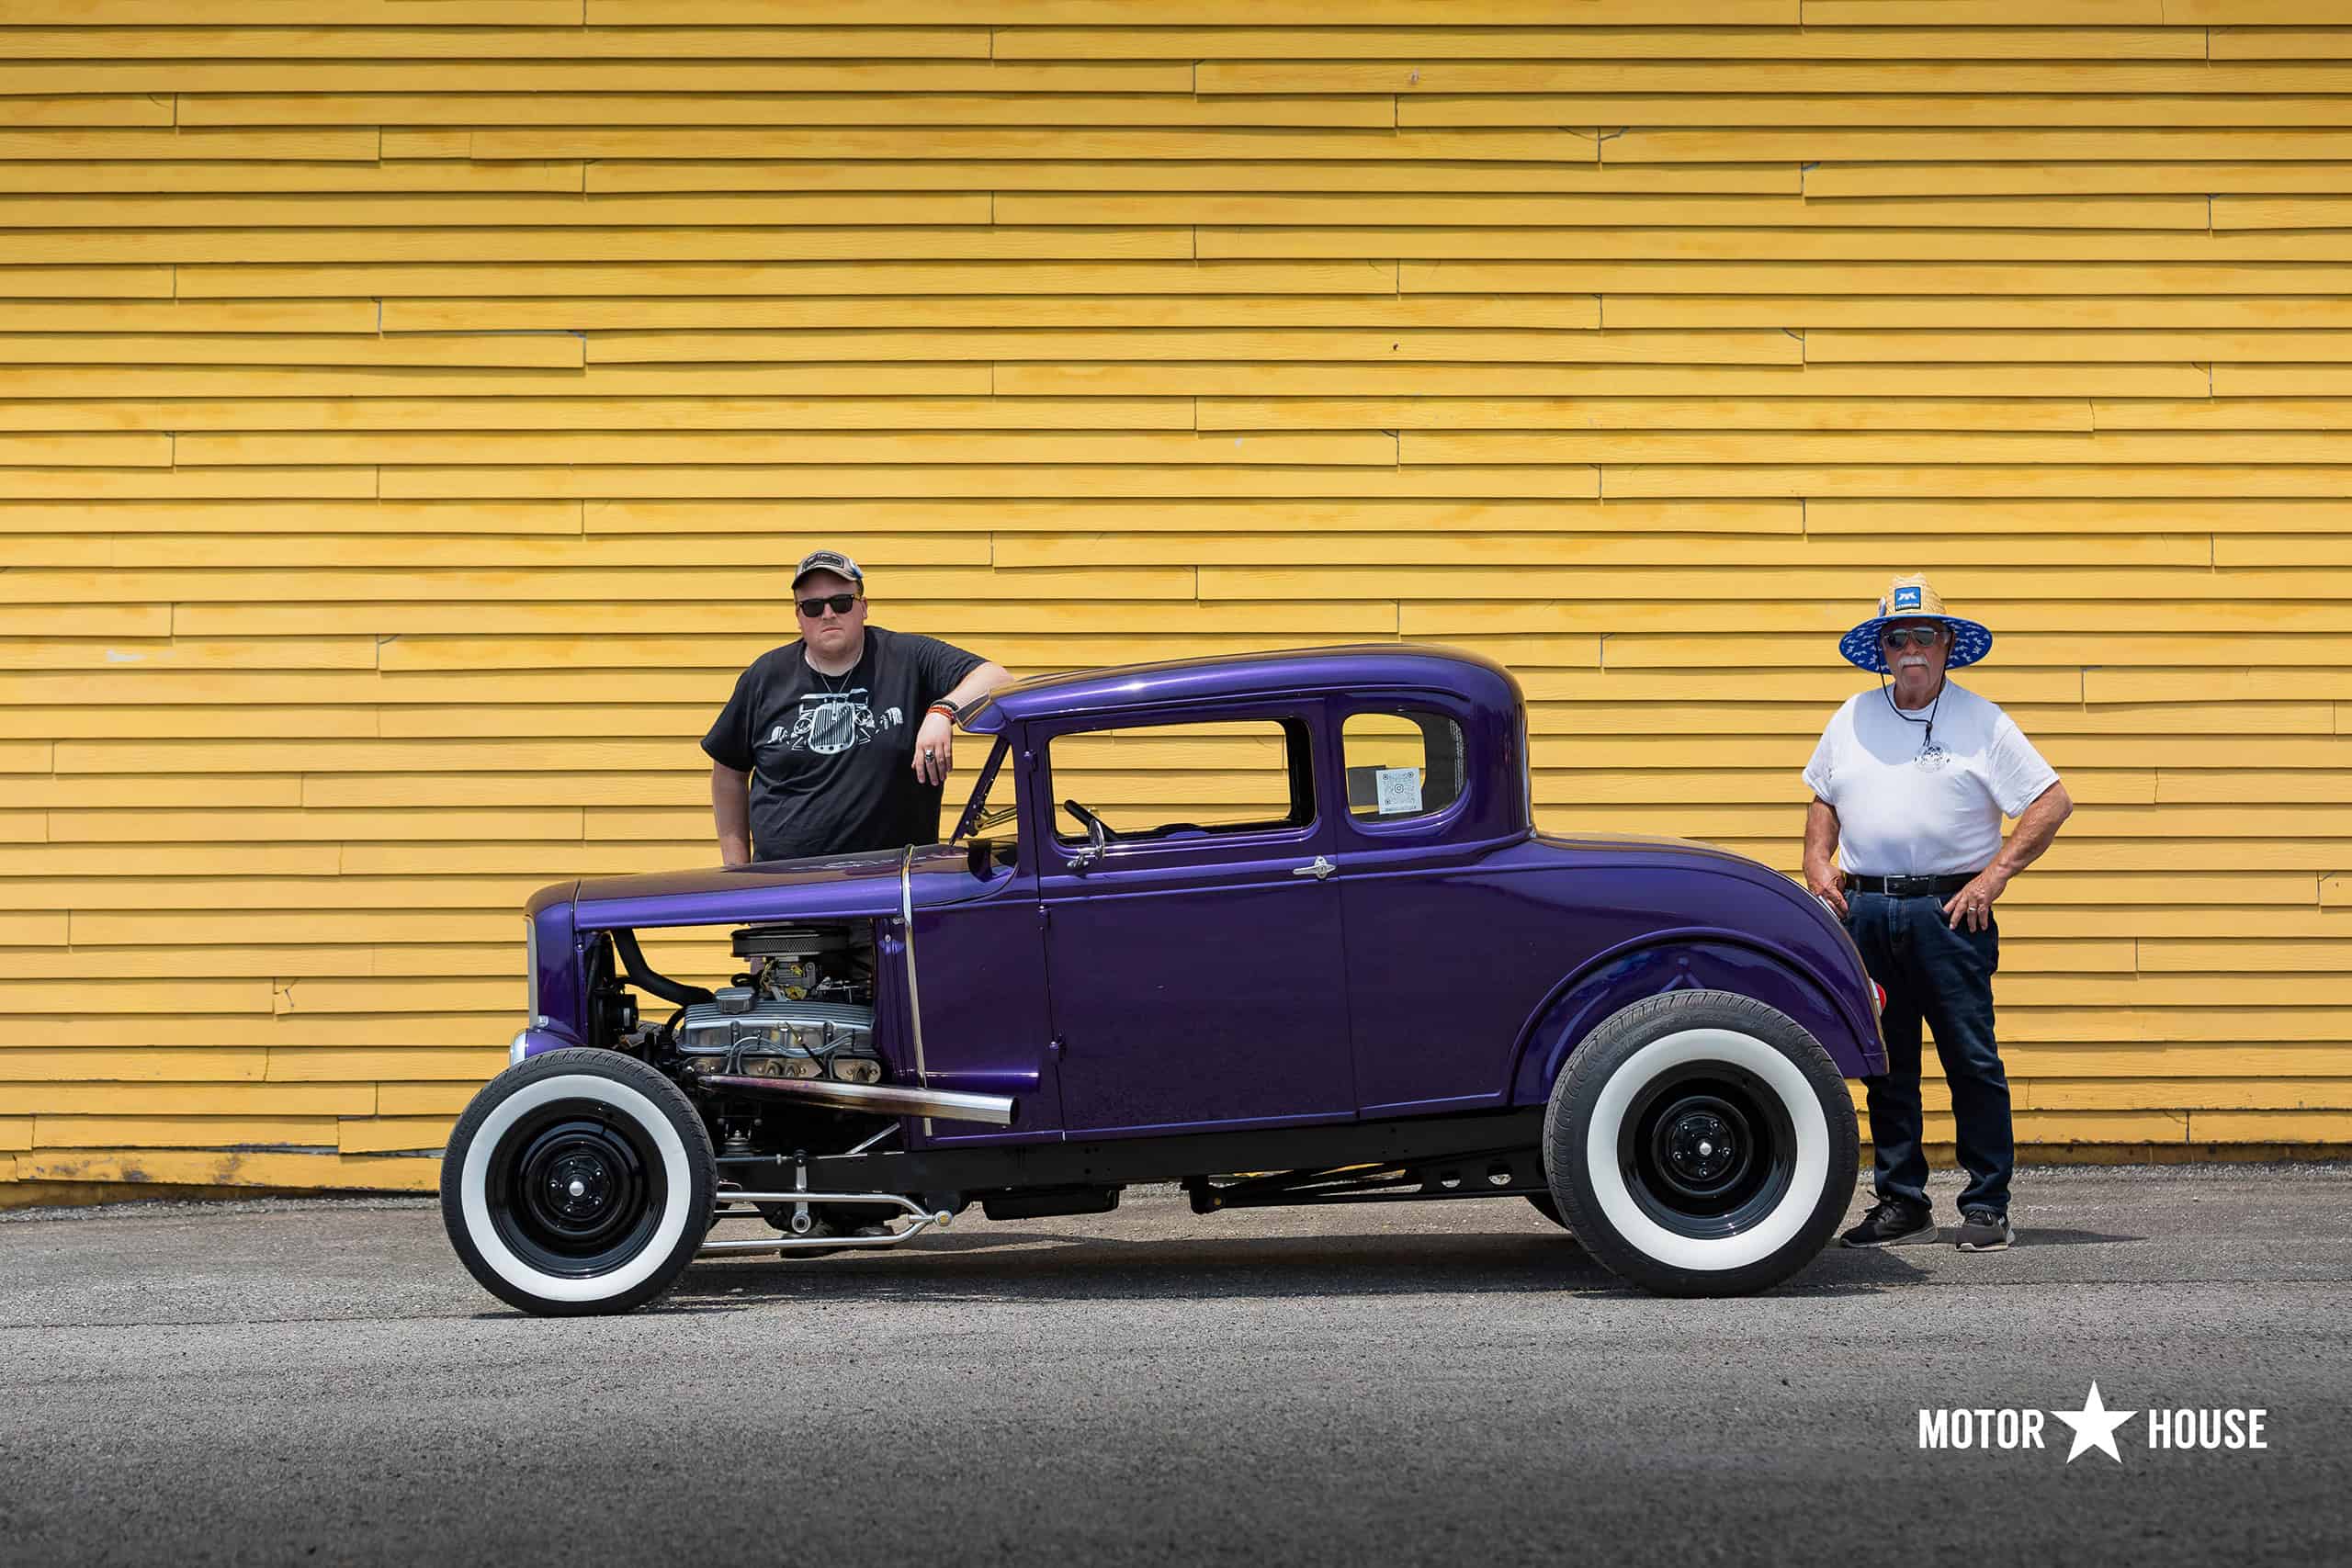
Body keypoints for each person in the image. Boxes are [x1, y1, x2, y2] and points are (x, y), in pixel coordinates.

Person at [1801, 574, 2073, 1254]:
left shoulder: (1982, 720)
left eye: (1925, 635)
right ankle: (1902, 1201)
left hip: (1951, 914)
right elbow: (1823, 796)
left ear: (1948, 644)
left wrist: (1996, 874)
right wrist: (1815, 860)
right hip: (1866, 911)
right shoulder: (1852, 716)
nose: (1912, 648)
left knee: (1970, 1059)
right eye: (1898, 637)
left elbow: (2050, 800)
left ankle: (1986, 1204)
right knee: (1886, 1062)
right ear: (1882, 650)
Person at [704, 549, 1014, 866]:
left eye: (841, 602)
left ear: (863, 607)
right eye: (812, 607)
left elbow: (996, 678)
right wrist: (737, 873)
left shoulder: (907, 659)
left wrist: (942, 712)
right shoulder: (766, 676)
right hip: (785, 892)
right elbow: (728, 772)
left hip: (890, 889)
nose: (828, 614)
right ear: (798, 618)